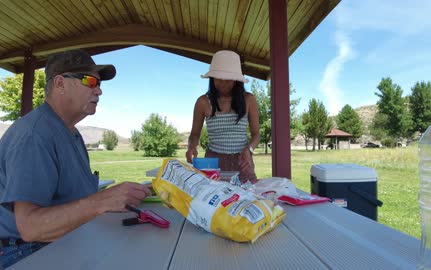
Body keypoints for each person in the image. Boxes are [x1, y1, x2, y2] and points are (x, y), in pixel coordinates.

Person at [0, 49, 151, 268]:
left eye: (99, 84)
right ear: (60, 83)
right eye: (90, 81)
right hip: (22, 251)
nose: (99, 91)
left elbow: (75, 200)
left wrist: (120, 197)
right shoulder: (34, 135)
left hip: (58, 241)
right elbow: (31, 228)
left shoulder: (70, 132)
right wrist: (102, 201)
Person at [186, 50, 260, 182]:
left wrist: (249, 150)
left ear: (237, 80)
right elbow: (195, 134)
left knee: (246, 197)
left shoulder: (249, 100)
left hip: (243, 160)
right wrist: (191, 147)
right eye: (218, 78)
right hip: (213, 162)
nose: (222, 82)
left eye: (228, 79)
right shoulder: (203, 102)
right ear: (212, 77)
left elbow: (256, 135)